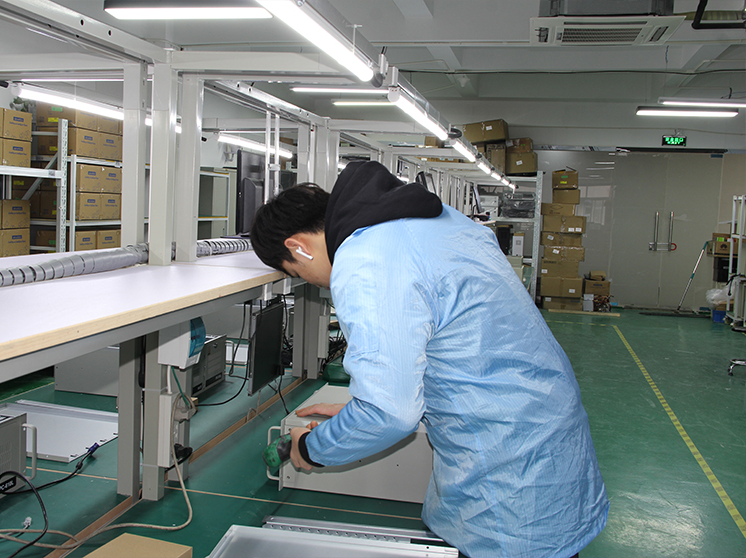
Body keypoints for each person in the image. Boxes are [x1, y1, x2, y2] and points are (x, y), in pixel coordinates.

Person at [250, 161, 608, 558]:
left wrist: (311, 447)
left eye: (297, 272)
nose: (313, 282)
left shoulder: (365, 258)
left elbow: (389, 415)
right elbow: (466, 347)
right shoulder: (440, 221)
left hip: (508, 472)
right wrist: (361, 408)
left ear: (298, 246)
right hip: (546, 431)